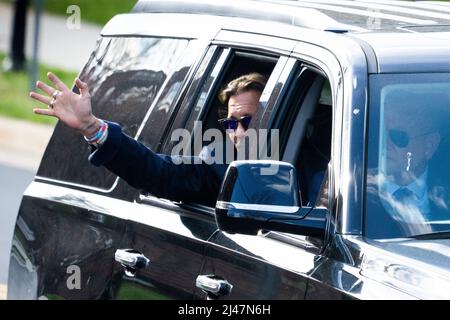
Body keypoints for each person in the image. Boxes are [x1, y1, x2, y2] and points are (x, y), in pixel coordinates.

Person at [30, 72, 267, 207]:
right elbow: (159, 172)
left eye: (247, 121)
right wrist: (92, 126)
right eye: (230, 123)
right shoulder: (218, 166)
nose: (238, 131)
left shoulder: (303, 161)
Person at [366, 90, 450, 237]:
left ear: (430, 144)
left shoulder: (445, 192)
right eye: (381, 133)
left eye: (397, 136)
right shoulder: (352, 188)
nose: (385, 144)